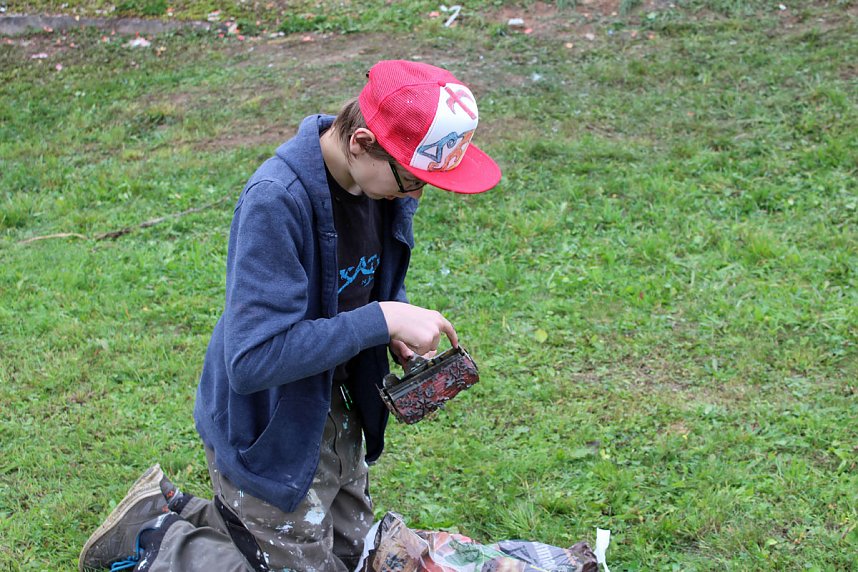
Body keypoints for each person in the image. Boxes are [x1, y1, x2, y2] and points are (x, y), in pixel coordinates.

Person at [79, 59, 501, 572]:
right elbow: (252, 360)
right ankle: (155, 539)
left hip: (333, 406)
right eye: (413, 179)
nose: (416, 194)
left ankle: (181, 508)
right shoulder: (275, 202)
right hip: (271, 421)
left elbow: (363, 279)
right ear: (361, 142)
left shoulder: (380, 188)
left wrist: (393, 326)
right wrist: (381, 319)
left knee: (356, 558)